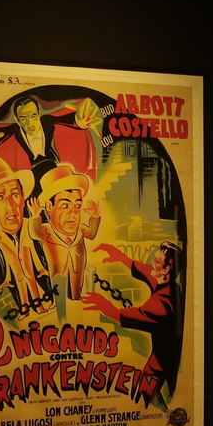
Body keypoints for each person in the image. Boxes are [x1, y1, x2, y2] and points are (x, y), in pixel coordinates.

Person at [80, 239, 183, 402]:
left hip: (164, 359)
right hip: (164, 354)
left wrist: (105, 306)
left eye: (157, 261)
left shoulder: (162, 304)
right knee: (150, 392)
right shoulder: (166, 282)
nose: (152, 262)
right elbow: (145, 270)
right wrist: (121, 257)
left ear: (167, 269)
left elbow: (130, 316)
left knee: (146, 394)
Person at [0, 156, 50, 313]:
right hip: (17, 275)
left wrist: (41, 268)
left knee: (29, 278)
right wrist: (5, 279)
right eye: (0, 197)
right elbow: (6, 262)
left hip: (34, 275)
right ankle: (25, 308)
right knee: (21, 280)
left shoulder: (31, 226)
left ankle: (39, 306)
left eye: (14, 194)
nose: (10, 206)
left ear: (22, 197)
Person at [28, 163, 101, 299]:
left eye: (77, 206)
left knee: (75, 293)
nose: (72, 213)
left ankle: (76, 297)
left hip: (77, 273)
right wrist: (36, 216)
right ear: (50, 207)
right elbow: (35, 232)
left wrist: (95, 217)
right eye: (65, 205)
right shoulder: (47, 230)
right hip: (56, 278)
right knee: (59, 296)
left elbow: (91, 234)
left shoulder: (80, 230)